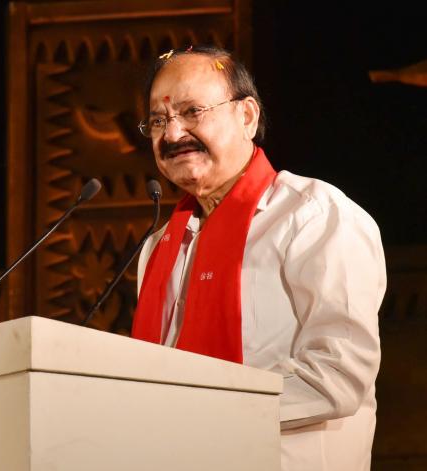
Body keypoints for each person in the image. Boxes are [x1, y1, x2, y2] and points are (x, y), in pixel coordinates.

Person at [131, 45, 386, 471]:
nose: (172, 134)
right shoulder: (160, 246)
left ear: (247, 116)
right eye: (158, 120)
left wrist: (197, 414)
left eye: (192, 112)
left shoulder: (314, 216)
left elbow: (338, 377)